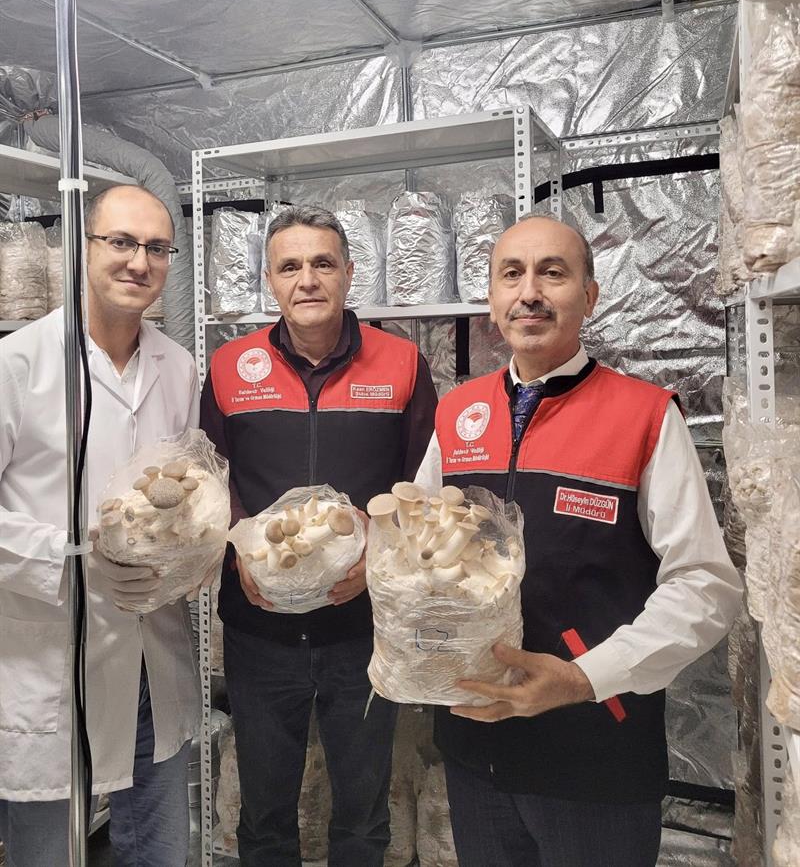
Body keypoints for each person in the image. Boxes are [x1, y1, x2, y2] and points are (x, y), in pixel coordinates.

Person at [414, 214, 743, 867]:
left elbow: (705, 584)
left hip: (594, 756)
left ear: (589, 297)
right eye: (512, 274)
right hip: (476, 751)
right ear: (492, 299)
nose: (529, 293)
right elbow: (418, 552)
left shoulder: (644, 415)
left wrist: (582, 678)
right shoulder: (458, 413)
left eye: (553, 273)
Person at [200, 204, 437, 867]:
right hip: (260, 633)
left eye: (323, 263)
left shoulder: (401, 363)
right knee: (265, 814)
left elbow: (422, 487)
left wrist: (379, 560)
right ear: (270, 281)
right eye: (290, 266)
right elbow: (212, 480)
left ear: (349, 273)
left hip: (360, 631)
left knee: (362, 814)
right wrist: (239, 551)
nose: (307, 279)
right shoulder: (230, 366)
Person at [0, 184, 201, 867]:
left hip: (152, 658)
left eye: (156, 248)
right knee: (46, 853)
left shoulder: (178, 369)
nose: (139, 262)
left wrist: (195, 549)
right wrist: (70, 558)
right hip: (53, 657)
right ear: (83, 248)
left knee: (161, 852)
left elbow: (183, 495)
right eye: (120, 242)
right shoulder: (20, 363)